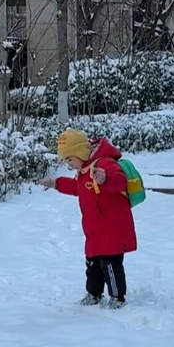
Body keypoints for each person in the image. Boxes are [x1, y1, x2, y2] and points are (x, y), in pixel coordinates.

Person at [39, 129, 137, 309]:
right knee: (93, 265)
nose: (69, 165)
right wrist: (55, 183)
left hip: (112, 229)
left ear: (81, 152)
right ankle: (94, 293)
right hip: (94, 231)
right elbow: (77, 187)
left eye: (70, 159)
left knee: (111, 265)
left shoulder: (104, 163)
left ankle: (117, 297)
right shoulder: (84, 170)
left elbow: (119, 182)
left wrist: (105, 178)